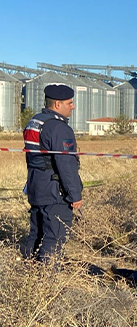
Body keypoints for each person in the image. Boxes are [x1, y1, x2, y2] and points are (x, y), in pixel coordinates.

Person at [22, 84, 83, 263]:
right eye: (70, 103)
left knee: (37, 233)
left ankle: (28, 270)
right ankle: (47, 279)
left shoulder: (35, 122)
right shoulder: (59, 128)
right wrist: (74, 194)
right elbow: (65, 164)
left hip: (35, 185)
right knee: (54, 237)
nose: (73, 106)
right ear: (57, 105)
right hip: (53, 190)